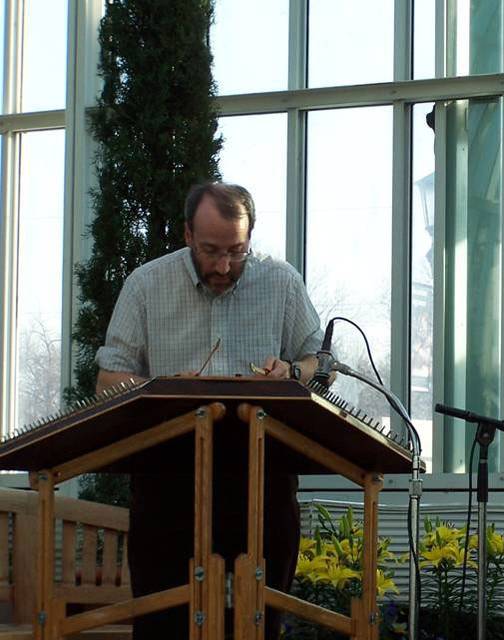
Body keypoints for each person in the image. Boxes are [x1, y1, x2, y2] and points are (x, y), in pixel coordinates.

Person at [95, 181, 324, 640]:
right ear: (186, 235)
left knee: (260, 621)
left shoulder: (281, 281)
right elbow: (106, 382)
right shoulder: (145, 285)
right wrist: (166, 389)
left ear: (250, 237)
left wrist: (292, 373)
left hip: (263, 475)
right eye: (210, 250)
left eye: (236, 252)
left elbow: (321, 363)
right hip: (168, 479)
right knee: (163, 623)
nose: (223, 266)